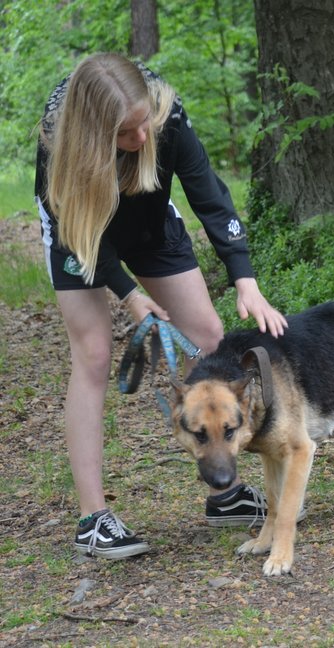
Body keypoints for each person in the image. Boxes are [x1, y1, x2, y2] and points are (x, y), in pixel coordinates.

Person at [34, 52, 288, 560]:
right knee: (94, 354)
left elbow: (209, 195)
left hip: (150, 223)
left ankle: (225, 493)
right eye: (127, 133)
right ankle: (93, 519)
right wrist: (130, 295)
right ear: (95, 131)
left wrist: (245, 278)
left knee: (208, 336)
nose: (142, 138)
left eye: (144, 124)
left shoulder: (164, 114)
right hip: (80, 234)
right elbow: (74, 234)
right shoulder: (58, 140)